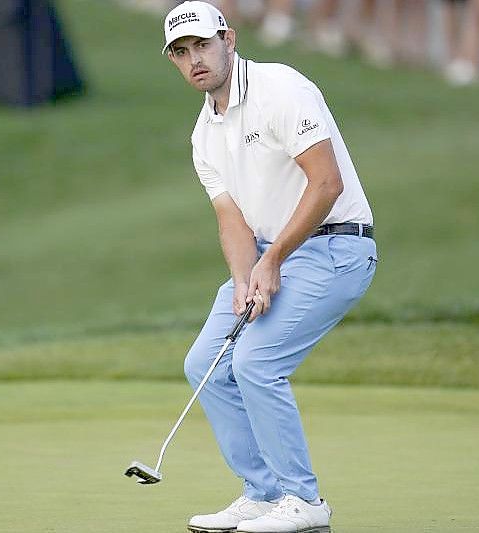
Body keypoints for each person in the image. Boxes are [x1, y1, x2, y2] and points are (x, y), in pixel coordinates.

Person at [161, 2, 378, 532]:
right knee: (205, 365)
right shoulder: (203, 135)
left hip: (337, 249)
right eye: (181, 53)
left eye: (203, 45)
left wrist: (273, 259)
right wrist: (244, 276)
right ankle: (263, 493)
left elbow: (327, 184)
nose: (195, 60)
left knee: (255, 362)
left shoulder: (282, 89)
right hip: (268, 253)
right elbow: (231, 219)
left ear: (229, 39)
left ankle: (304, 501)